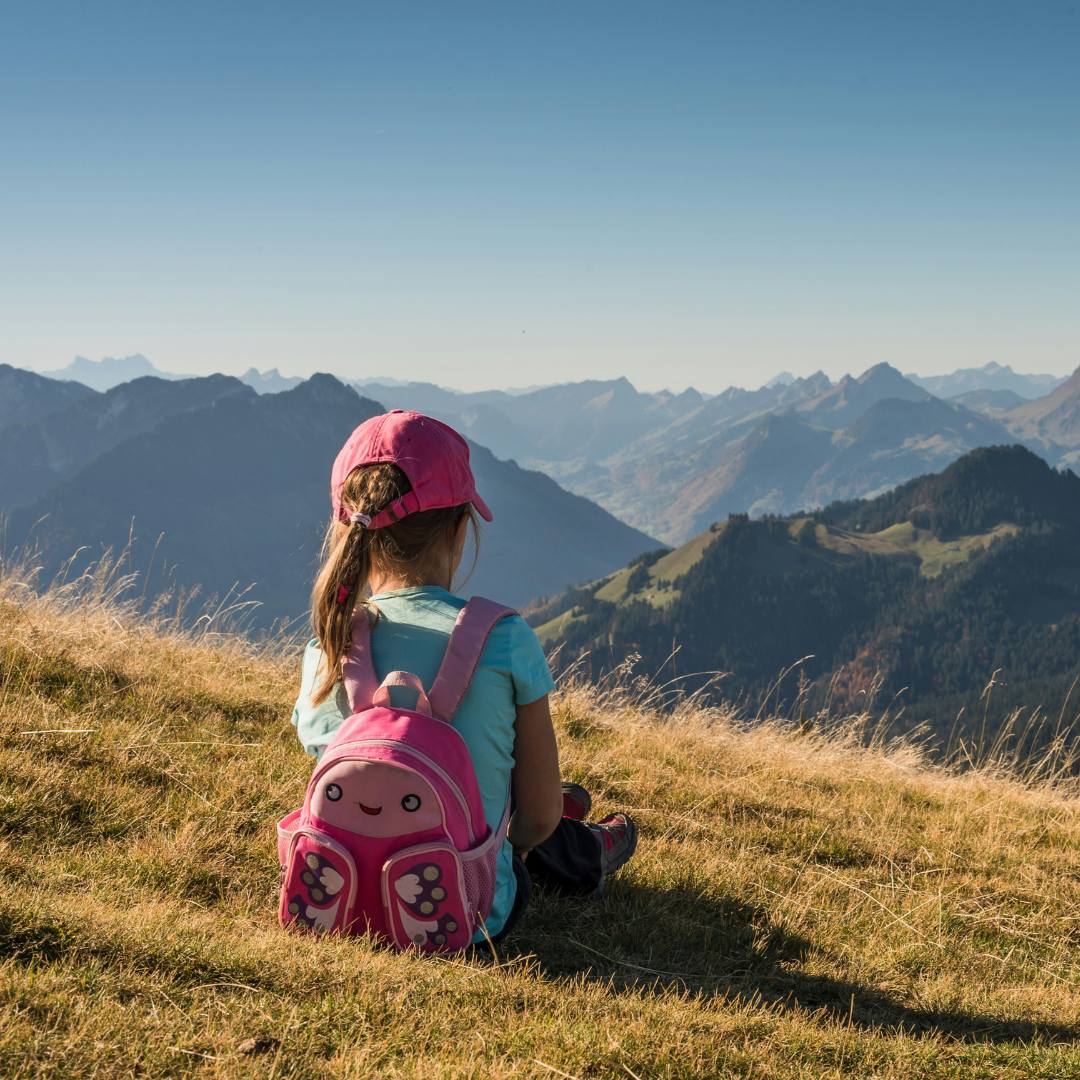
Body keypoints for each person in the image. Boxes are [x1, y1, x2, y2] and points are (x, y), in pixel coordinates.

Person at [291, 409, 638, 943]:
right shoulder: (503, 638)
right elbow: (538, 822)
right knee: (520, 804)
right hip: (472, 917)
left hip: (338, 904)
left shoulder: (329, 644)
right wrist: (513, 840)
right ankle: (587, 848)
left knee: (490, 785)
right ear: (459, 528)